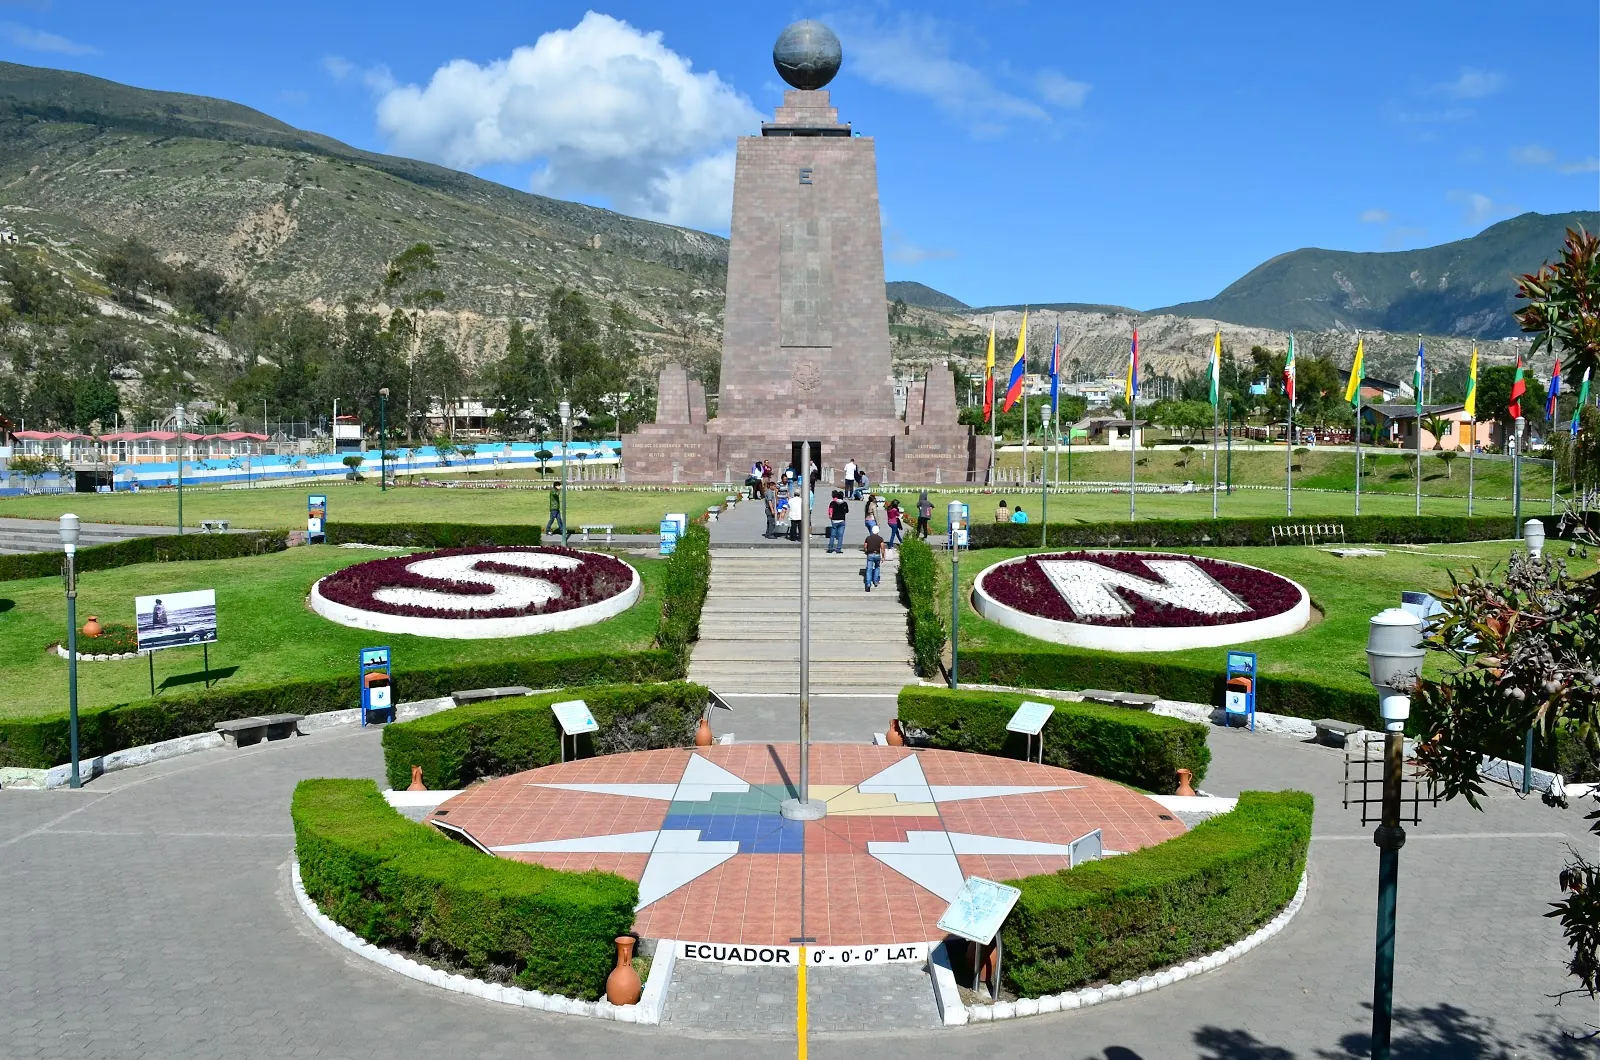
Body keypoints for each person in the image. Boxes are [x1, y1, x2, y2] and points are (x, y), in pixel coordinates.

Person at [861, 526, 885, 592]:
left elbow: (865, 546)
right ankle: (876, 581)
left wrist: (866, 552)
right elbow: (882, 548)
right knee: (877, 567)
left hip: (870, 554)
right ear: (878, 531)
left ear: (872, 531)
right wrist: (883, 556)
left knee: (869, 569)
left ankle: (868, 584)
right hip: (877, 554)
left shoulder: (868, 538)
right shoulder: (880, 539)